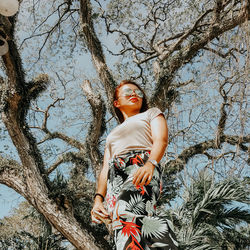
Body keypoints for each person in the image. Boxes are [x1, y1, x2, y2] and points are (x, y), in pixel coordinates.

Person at [91, 80, 178, 249]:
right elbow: (105, 169)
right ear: (117, 103)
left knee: (124, 211)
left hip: (140, 166)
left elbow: (161, 140)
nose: (134, 94)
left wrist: (150, 164)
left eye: (139, 93)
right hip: (115, 177)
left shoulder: (152, 113)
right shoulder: (112, 134)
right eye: (128, 91)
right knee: (122, 225)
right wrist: (98, 200)